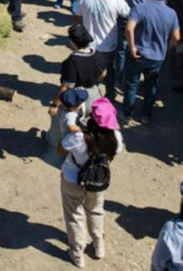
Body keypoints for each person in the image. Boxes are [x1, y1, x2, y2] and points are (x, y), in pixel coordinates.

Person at [58, 98, 122, 268]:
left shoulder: (79, 136)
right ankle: (99, 245)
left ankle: (78, 253)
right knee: (95, 211)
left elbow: (60, 149)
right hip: (98, 180)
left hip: (72, 178)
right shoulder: (115, 138)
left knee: (74, 215)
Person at [123, 0, 180, 124]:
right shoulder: (171, 13)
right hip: (157, 57)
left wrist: (132, 47)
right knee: (151, 86)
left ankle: (127, 113)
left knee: (131, 85)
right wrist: (166, 47)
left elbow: (129, 28)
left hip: (138, 54)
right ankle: (146, 115)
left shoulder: (140, 8)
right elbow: (176, 37)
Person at [74, 0, 130, 100]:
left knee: (88, 71)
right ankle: (109, 95)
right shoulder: (117, 1)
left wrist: (75, 31)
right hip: (108, 45)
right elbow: (128, 15)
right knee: (109, 72)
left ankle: (86, 97)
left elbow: (76, 15)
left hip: (89, 45)